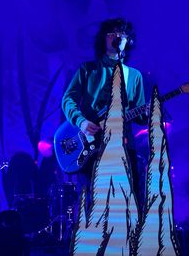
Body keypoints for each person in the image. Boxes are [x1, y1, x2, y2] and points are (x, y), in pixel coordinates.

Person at [62, 17, 148, 216]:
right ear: (103, 39)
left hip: (124, 145)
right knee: (97, 201)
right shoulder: (88, 70)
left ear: (129, 41)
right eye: (112, 33)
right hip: (93, 146)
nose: (117, 37)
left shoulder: (134, 76)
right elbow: (68, 99)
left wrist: (150, 113)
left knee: (130, 198)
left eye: (122, 34)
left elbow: (139, 117)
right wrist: (82, 122)